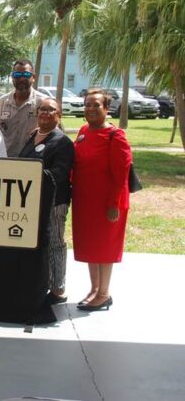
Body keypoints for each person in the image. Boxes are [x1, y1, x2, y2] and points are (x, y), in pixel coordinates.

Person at [72, 89, 132, 311]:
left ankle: (104, 293)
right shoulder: (84, 131)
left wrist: (113, 203)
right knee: (91, 245)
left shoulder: (115, 136)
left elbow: (121, 173)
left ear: (106, 109)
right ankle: (94, 289)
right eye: (87, 104)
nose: (90, 109)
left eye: (96, 105)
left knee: (105, 247)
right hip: (86, 200)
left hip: (107, 202)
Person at [18, 98, 74, 304]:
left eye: (51, 110)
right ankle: (41, 282)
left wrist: (34, 175)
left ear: (59, 115)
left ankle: (58, 289)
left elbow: (60, 172)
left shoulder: (62, 142)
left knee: (55, 243)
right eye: (42, 109)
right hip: (32, 200)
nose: (45, 113)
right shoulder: (33, 136)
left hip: (54, 202)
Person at [0, 59, 47, 157]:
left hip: (31, 159)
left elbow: (53, 132)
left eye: (26, 75)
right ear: (12, 77)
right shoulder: (2, 102)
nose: (21, 78)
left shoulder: (43, 102)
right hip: (5, 158)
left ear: (33, 77)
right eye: (17, 75)